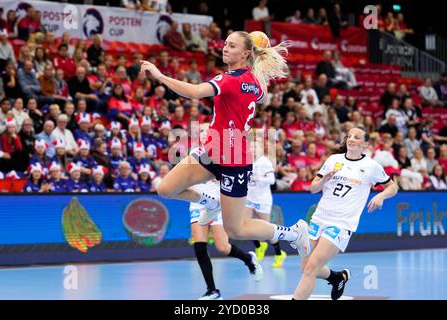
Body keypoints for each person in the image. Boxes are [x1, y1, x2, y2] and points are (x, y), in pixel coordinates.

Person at [140, 31, 310, 255]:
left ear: (246, 53)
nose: (225, 48)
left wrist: (160, 75)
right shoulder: (255, 83)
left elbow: (194, 92)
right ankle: (211, 202)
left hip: (234, 161)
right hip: (212, 150)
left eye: (231, 46)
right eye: (225, 44)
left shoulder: (230, 79)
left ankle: (294, 234)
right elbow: (256, 92)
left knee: (236, 230)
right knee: (166, 189)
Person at [292, 127, 398, 300]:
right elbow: (313, 188)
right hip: (318, 219)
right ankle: (337, 278)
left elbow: (393, 187)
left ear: (365, 144)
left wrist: (381, 196)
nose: (351, 139)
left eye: (357, 137)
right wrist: (323, 180)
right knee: (306, 267)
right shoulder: (334, 160)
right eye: (349, 136)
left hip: (341, 224)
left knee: (311, 268)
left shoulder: (371, 166)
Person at [189, 123, 263, 300]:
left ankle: (248, 259)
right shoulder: (194, 152)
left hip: (217, 202)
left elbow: (232, 177)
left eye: (207, 131)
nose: (203, 133)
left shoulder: (223, 153)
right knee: (199, 246)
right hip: (198, 201)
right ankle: (212, 291)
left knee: (222, 247)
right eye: (201, 131)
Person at [246, 137, 287, 268]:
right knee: (244, 224)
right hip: (249, 198)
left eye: (255, 147)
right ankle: (259, 245)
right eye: (250, 147)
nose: (252, 149)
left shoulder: (265, 162)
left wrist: (257, 178)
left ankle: (279, 253)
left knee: (267, 229)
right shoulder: (247, 160)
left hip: (262, 199)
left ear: (260, 149)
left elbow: (271, 180)